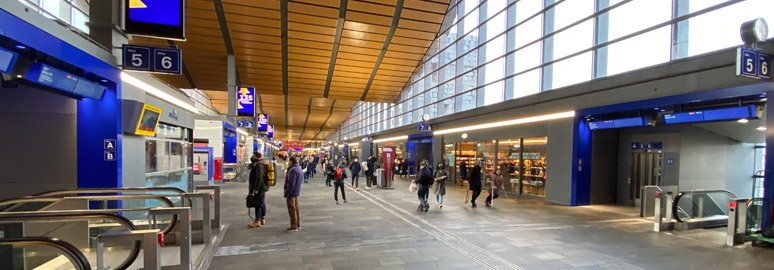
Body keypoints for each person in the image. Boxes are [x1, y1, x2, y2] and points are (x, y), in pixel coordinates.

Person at [248, 152, 270, 228]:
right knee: (262, 202)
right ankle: (262, 218)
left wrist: (255, 189)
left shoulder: (259, 165)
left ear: (257, 157)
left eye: (253, 156)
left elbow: (259, 177)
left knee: (258, 203)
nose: (252, 157)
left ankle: (257, 220)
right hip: (263, 186)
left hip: (259, 187)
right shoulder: (262, 163)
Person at [283, 156, 303, 232]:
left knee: (292, 210)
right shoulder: (299, 168)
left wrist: (287, 193)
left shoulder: (293, 170)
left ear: (291, 161)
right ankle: (298, 224)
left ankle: (294, 226)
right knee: (296, 209)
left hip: (292, 193)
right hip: (296, 192)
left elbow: (291, 183)